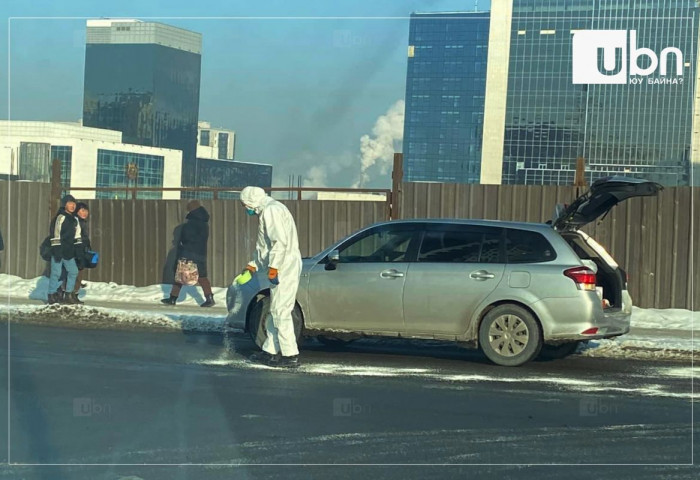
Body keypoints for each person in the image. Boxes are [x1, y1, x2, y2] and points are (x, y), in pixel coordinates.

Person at [240, 186, 302, 369]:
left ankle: (290, 355)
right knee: (276, 310)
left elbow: (278, 242)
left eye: (245, 205)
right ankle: (270, 351)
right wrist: (253, 264)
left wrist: (274, 267)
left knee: (281, 311)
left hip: (285, 265)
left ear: (252, 201)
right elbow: (263, 246)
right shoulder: (269, 210)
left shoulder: (272, 210)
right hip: (281, 264)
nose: (246, 209)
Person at [161, 200, 215, 307]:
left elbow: (186, 238)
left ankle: (172, 299)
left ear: (191, 211)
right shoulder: (204, 223)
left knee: (180, 275)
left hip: (189, 253)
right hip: (201, 253)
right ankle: (209, 298)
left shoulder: (190, 224)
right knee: (202, 276)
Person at [47, 195, 80, 305]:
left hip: (69, 252)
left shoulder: (75, 219)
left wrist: (79, 250)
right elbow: (55, 233)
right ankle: (51, 295)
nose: (72, 206)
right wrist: (56, 249)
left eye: (74, 204)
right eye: (70, 203)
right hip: (58, 250)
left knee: (73, 271)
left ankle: (68, 295)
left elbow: (77, 236)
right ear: (64, 204)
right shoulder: (60, 217)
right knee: (56, 273)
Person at [61, 202, 91, 299]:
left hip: (81, 251)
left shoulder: (83, 222)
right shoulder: (74, 221)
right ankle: (65, 293)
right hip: (74, 251)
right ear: (77, 211)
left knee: (79, 273)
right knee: (73, 273)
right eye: (82, 210)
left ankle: (73, 294)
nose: (85, 213)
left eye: (86, 211)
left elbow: (84, 238)